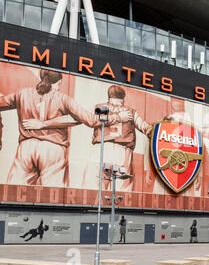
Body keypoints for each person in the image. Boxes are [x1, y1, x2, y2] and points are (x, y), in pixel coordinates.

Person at [1, 69, 131, 187]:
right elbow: (91, 120)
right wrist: (119, 117)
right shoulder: (63, 99)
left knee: (14, 190)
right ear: (59, 82)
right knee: (52, 195)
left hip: (26, 147)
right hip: (54, 149)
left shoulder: (22, 94)